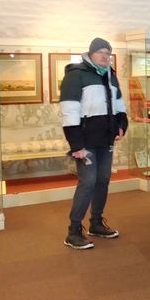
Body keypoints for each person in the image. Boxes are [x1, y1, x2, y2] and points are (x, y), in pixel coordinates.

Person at [60, 37, 128, 250]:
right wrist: (76, 145)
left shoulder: (109, 75)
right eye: (100, 52)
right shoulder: (76, 75)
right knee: (88, 182)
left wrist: (121, 124)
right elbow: (69, 111)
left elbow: (119, 104)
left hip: (106, 139)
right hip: (85, 141)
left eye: (108, 53)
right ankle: (73, 231)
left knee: (103, 180)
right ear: (90, 54)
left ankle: (96, 223)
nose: (105, 56)